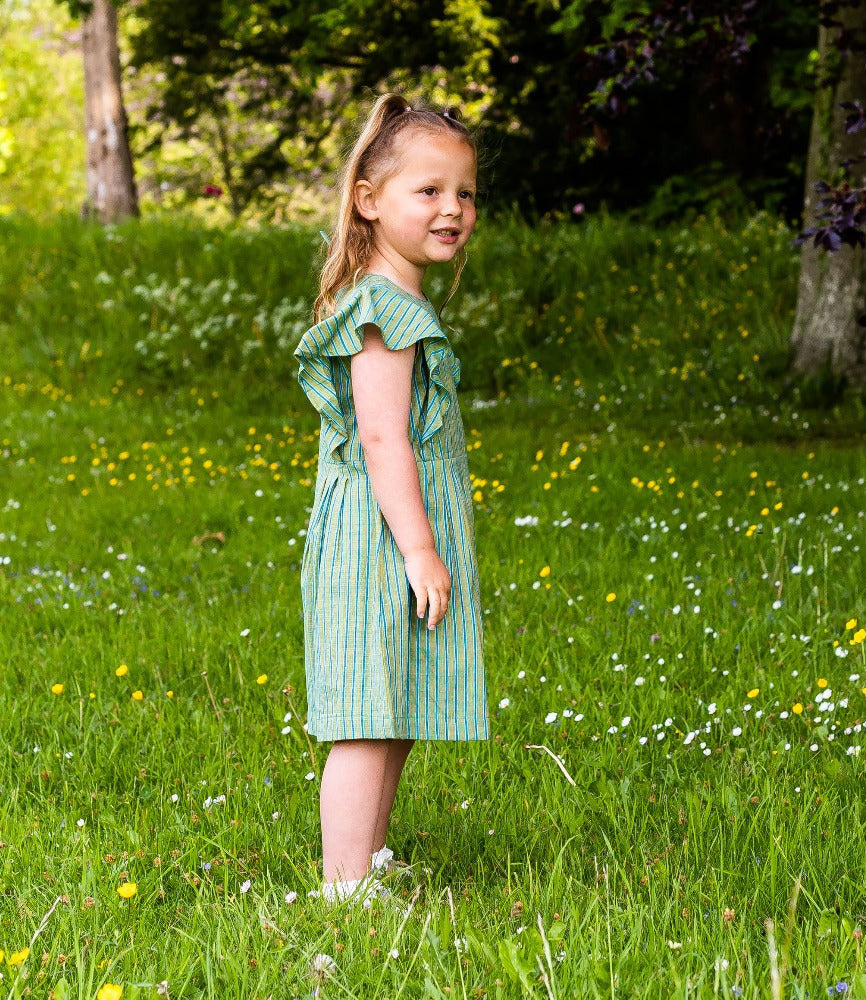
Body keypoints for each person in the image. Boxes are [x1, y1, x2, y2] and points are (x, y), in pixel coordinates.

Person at [294, 93, 489, 905]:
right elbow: (382, 440)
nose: (453, 209)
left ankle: (369, 861)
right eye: (430, 191)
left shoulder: (401, 301)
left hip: (399, 530)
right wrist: (417, 547)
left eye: (465, 193)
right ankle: (343, 888)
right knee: (365, 716)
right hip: (381, 536)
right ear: (369, 201)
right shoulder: (382, 311)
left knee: (395, 704)